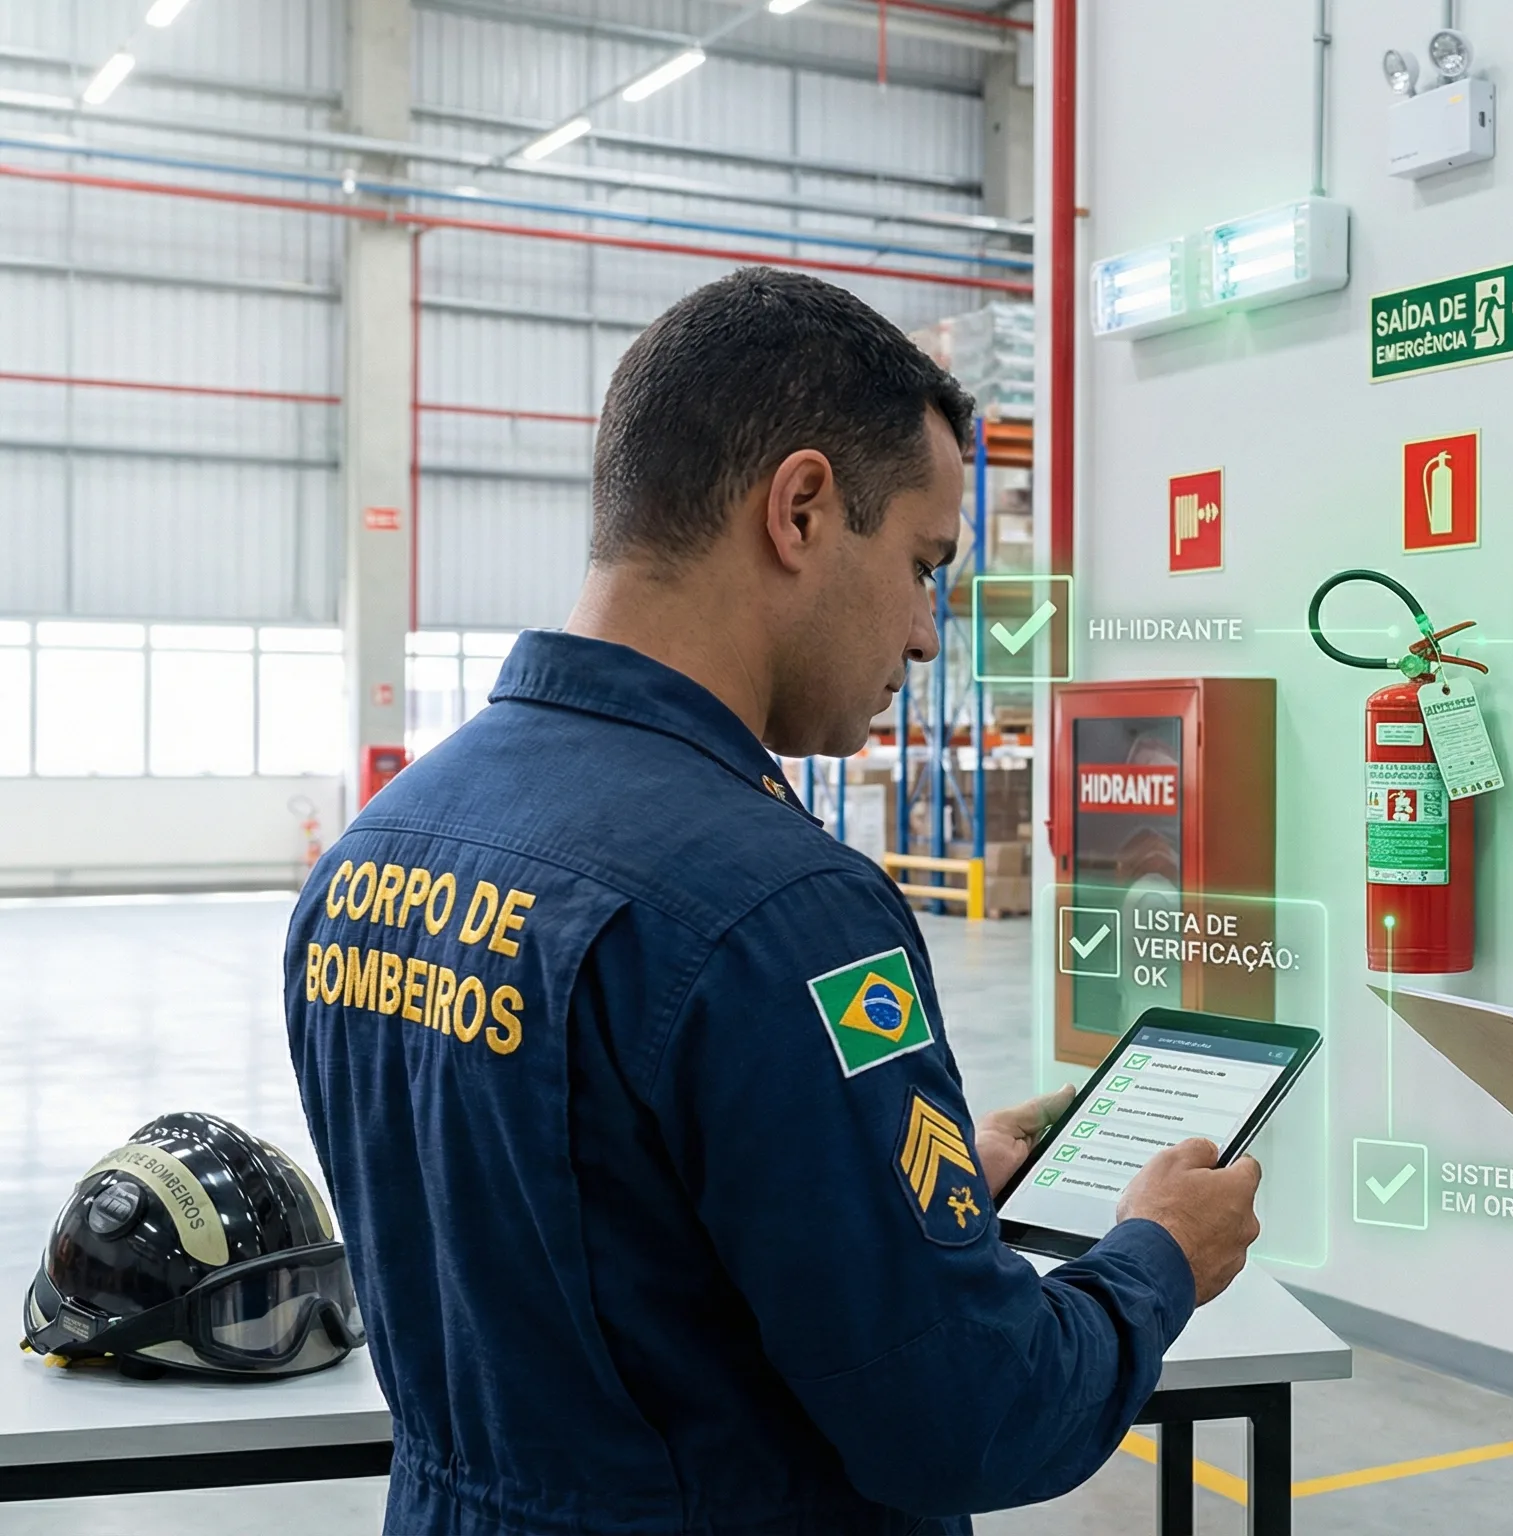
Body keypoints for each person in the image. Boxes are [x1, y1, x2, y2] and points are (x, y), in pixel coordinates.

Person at [284, 267, 1264, 1535]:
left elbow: (594, 1256)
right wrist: (1156, 1258)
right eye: (921, 565)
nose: (926, 633)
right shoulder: (779, 911)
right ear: (800, 510)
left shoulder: (374, 855)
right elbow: (972, 1414)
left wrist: (900, 1195)